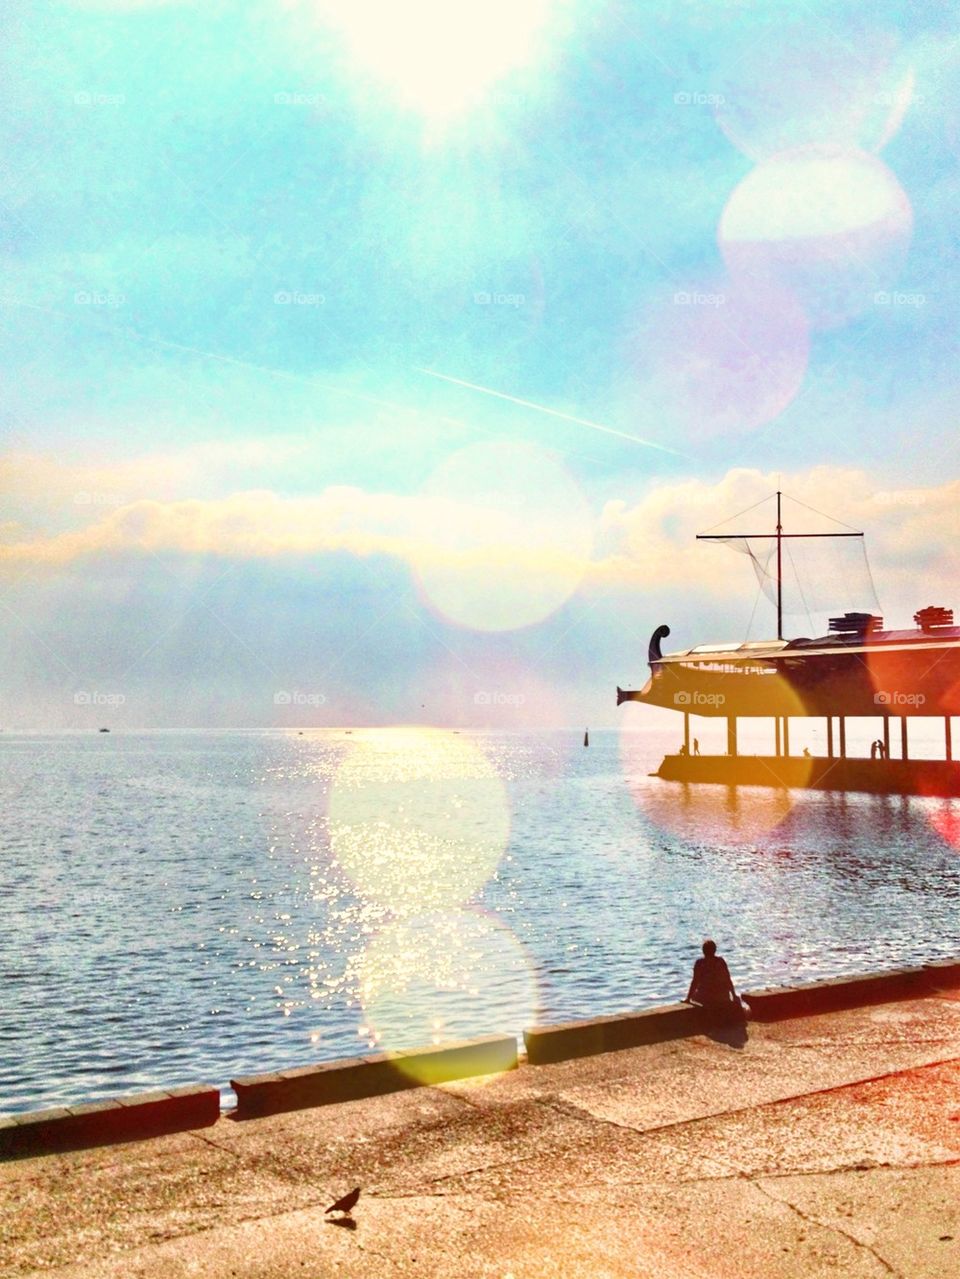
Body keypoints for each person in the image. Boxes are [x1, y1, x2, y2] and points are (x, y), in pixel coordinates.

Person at [685, 940, 743, 1020]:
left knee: (695, 995)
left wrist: (688, 998)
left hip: (706, 997)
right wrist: (733, 995)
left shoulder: (700, 963)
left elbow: (695, 982)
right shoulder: (720, 962)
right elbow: (728, 980)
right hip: (721, 996)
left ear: (703, 951)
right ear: (715, 950)